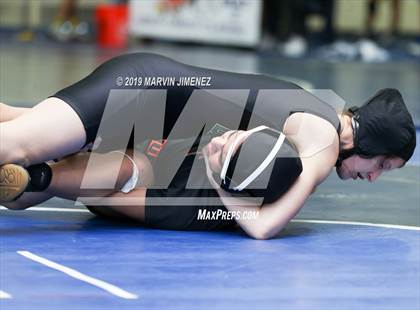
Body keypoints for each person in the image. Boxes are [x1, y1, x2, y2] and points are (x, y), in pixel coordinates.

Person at [0, 53, 416, 239]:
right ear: (368, 140)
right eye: (382, 164)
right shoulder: (325, 142)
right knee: (16, 146)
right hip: (141, 95)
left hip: (148, 103)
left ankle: (40, 174)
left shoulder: (324, 111)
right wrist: (222, 179)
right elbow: (263, 226)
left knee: (22, 158)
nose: (373, 176)